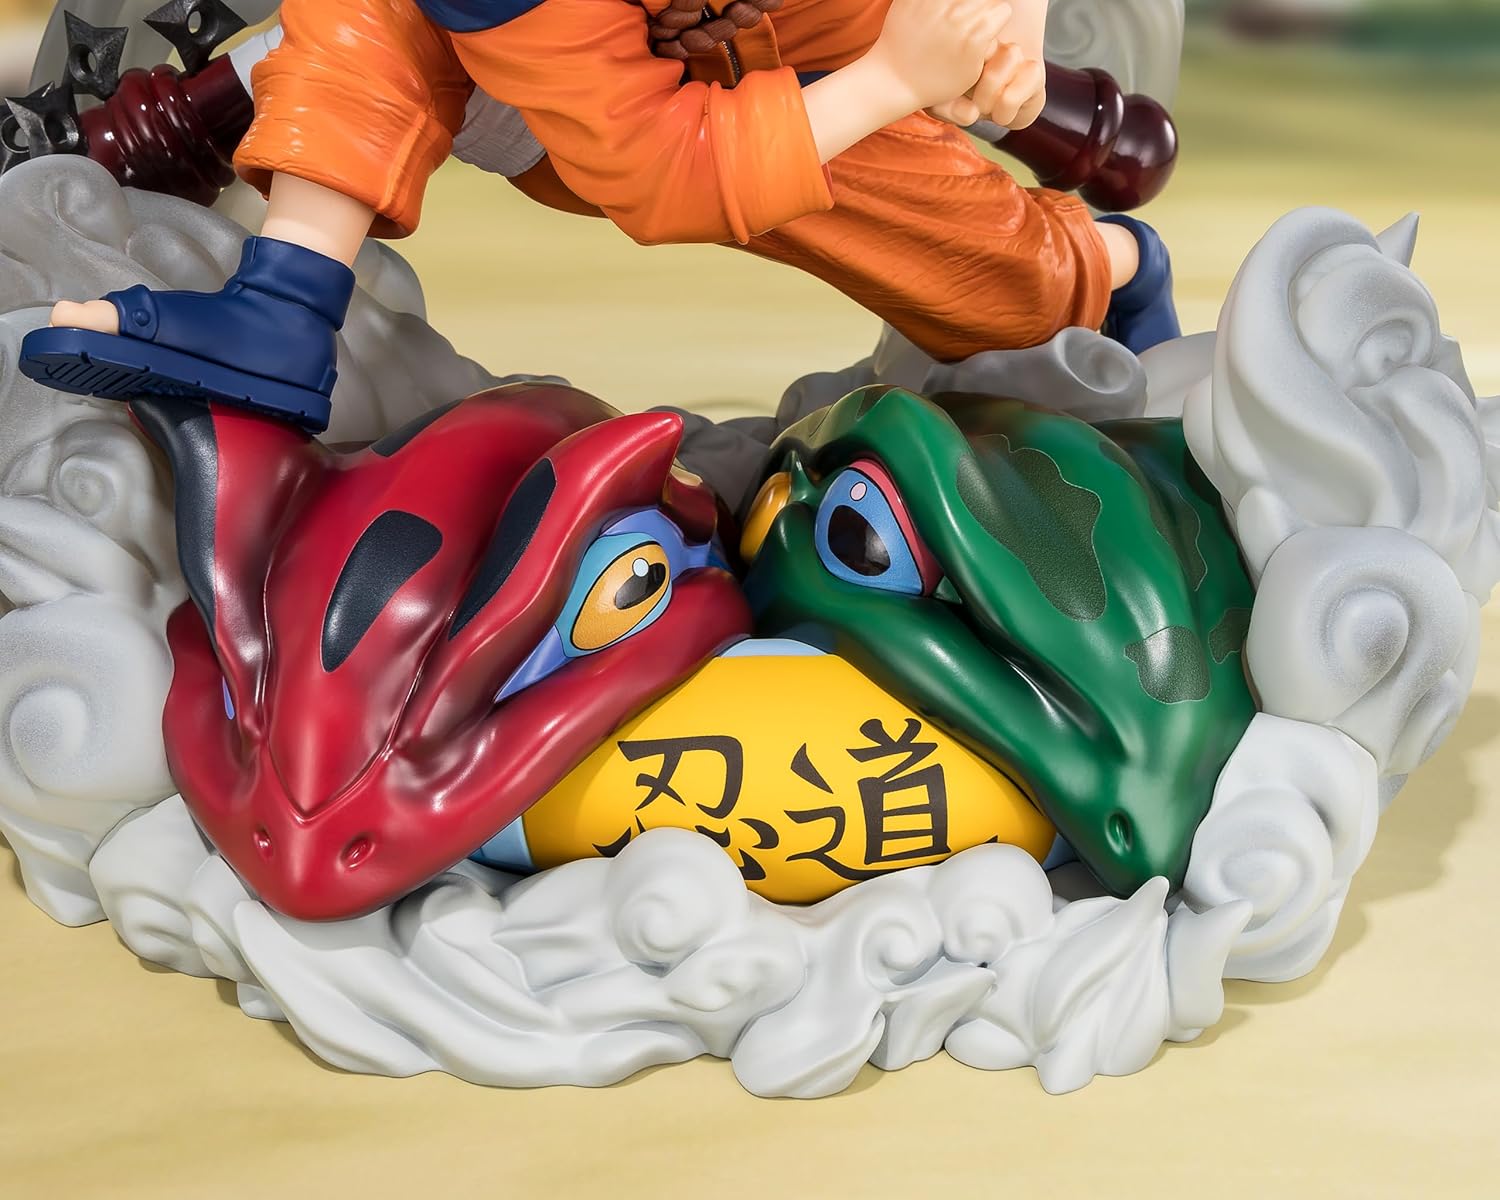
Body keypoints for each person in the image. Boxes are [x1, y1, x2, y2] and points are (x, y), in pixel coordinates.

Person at [19, 0, 1179, 433]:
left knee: (999, 288)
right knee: (368, 15)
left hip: (818, 64)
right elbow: (662, 173)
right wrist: (896, 79)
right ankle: (282, 307)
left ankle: (1116, 268)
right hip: (597, 105)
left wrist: (997, 21)